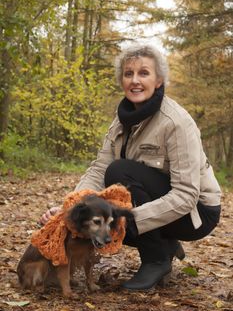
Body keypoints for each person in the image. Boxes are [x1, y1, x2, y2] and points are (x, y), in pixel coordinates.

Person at [41, 44, 221, 291]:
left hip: (197, 214)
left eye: (144, 73)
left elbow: (187, 195)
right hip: (162, 202)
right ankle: (165, 243)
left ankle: (156, 259)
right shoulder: (121, 119)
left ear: (158, 81)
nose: (135, 80)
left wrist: (128, 220)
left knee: (119, 175)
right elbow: (98, 168)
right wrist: (70, 208)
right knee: (104, 196)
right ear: (122, 80)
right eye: (128, 74)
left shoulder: (176, 123)